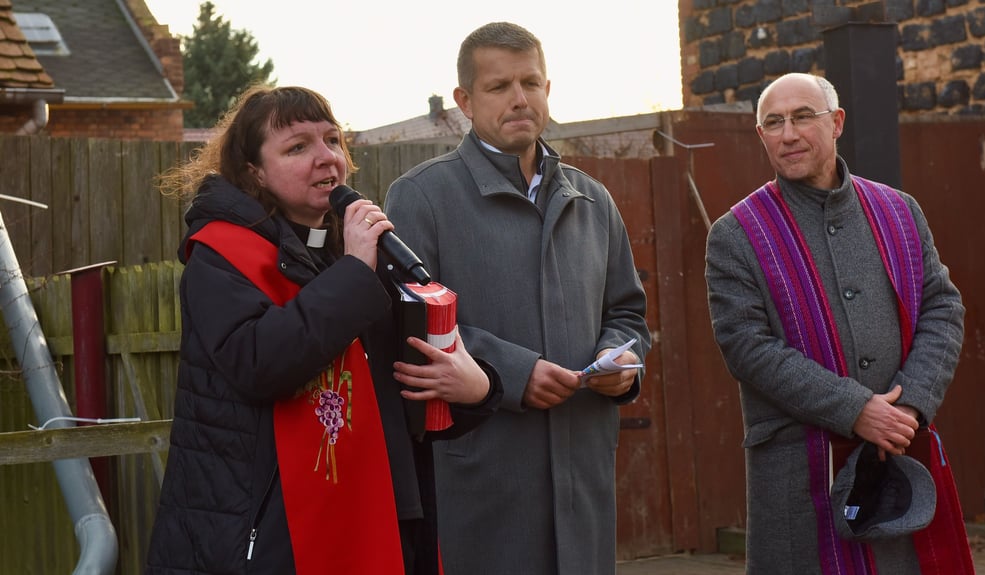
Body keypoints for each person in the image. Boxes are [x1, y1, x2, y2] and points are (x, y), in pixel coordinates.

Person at [145, 85, 502, 575]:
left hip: (390, 513)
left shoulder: (356, 251)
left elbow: (399, 392)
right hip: (271, 535)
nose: (326, 157)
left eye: (332, 140)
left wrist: (477, 390)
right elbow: (260, 365)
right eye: (297, 147)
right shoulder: (220, 256)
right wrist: (354, 271)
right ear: (254, 171)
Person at [383, 21, 651, 575]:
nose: (519, 98)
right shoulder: (420, 197)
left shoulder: (593, 200)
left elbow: (627, 313)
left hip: (584, 475)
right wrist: (515, 373)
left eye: (530, 83)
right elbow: (408, 329)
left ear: (547, 89)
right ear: (464, 101)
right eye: (498, 86)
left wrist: (622, 359)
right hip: (484, 479)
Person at [704, 72, 974, 574]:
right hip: (798, 477)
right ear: (761, 135)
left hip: (898, 454)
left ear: (837, 123)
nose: (789, 134)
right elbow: (747, 347)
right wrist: (856, 409)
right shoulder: (736, 234)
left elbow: (942, 308)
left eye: (803, 117)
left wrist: (908, 406)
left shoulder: (899, 211)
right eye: (774, 123)